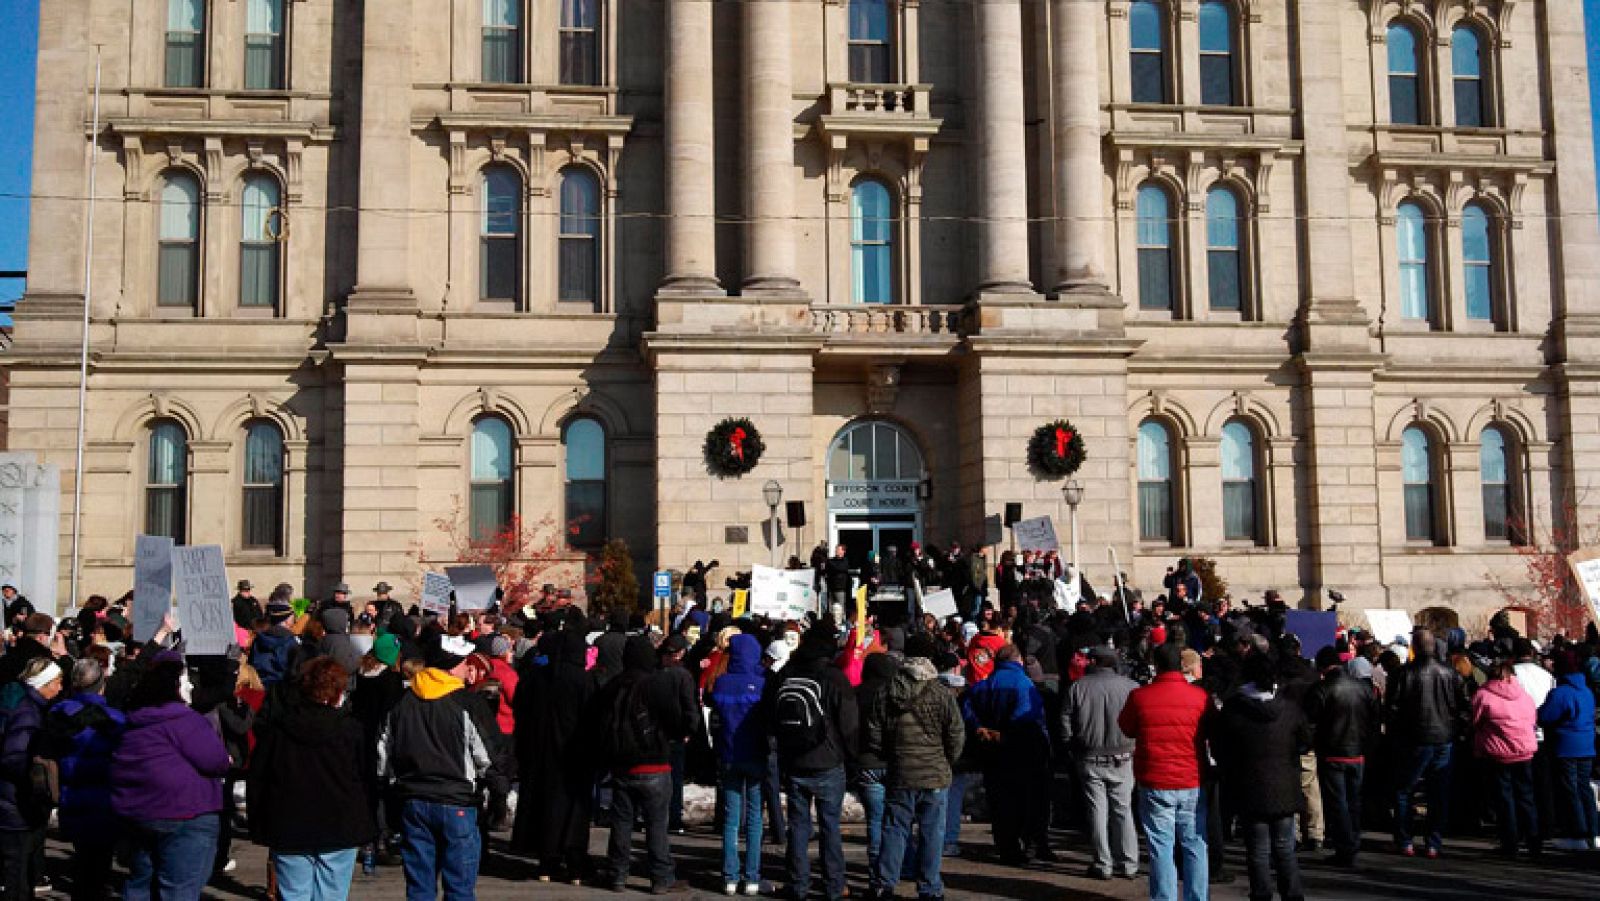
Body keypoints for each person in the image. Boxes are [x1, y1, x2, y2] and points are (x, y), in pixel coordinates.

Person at [377, 637, 495, 901]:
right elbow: (488, 757)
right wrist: (497, 792)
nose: (468, 668)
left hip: (415, 800)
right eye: (464, 662)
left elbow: (383, 756)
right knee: (459, 890)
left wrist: (388, 793)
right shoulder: (466, 703)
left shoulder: (401, 702)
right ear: (451, 667)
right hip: (456, 801)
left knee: (420, 889)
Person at [250, 658, 376, 900]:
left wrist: (260, 822)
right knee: (332, 894)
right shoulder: (351, 730)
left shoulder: (278, 730)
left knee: (294, 894)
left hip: (290, 826)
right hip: (341, 825)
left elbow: (259, 777)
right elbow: (367, 778)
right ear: (338, 692)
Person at [111, 654, 232, 901]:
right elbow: (214, 760)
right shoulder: (184, 721)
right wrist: (225, 760)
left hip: (139, 812)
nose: (190, 687)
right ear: (174, 688)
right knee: (179, 888)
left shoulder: (134, 722)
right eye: (185, 682)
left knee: (141, 882)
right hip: (184, 812)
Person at [591, 634, 691, 894]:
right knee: (656, 824)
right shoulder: (657, 684)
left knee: (622, 822)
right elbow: (675, 719)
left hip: (622, 764)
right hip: (655, 762)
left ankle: (617, 874)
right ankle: (661, 877)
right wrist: (676, 735)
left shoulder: (613, 686)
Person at [862, 654, 964, 901]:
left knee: (894, 829)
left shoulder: (886, 693)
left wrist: (891, 755)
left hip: (900, 773)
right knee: (932, 833)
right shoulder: (941, 694)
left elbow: (874, 733)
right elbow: (956, 733)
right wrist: (946, 760)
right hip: (934, 774)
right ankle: (929, 888)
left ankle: (884, 885)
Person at [767, 625, 857, 901]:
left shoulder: (787, 674)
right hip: (828, 759)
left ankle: (798, 884)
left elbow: (771, 714)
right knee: (830, 827)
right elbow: (849, 723)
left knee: (798, 826)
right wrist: (850, 756)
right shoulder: (834, 677)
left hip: (795, 759)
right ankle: (834, 886)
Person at [1213, 654, 1309, 901]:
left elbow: (1220, 747)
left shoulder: (1234, 709)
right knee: (1285, 847)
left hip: (1249, 785)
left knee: (1257, 849)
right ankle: (1293, 894)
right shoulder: (1290, 708)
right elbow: (1305, 741)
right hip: (1284, 784)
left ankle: (1261, 894)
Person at [1118, 643, 1210, 901]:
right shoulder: (1199, 697)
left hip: (1155, 778)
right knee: (1195, 844)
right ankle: (1197, 897)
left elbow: (1127, 728)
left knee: (1161, 846)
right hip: (1191, 777)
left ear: (1155, 666)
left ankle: (1164, 897)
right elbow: (1211, 729)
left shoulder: (1140, 696)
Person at [511, 630, 595, 884]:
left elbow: (520, 712)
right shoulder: (582, 680)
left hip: (539, 755)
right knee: (574, 812)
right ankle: (575, 866)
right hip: (575, 756)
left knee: (544, 808)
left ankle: (547, 863)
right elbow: (592, 719)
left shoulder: (535, 678)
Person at [43, 658, 126, 901]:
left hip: (72, 795)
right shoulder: (115, 719)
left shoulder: (58, 713)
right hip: (106, 798)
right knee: (100, 863)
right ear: (102, 685)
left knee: (82, 860)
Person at [962, 644, 1052, 864]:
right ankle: (1029, 844)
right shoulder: (1023, 684)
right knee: (1026, 799)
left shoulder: (982, 686)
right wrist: (1005, 734)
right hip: (1021, 750)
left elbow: (966, 709)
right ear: (1018, 660)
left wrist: (980, 728)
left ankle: (1007, 847)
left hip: (992, 752)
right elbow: (1027, 715)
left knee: (1000, 801)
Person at [1386, 629, 1468, 857]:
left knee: (1404, 790)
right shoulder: (1450, 673)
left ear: (1414, 647)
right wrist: (1457, 730)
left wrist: (1395, 733)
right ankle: (1433, 842)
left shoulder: (1403, 674)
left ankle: (1405, 840)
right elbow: (1464, 706)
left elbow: (1392, 708)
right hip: (1442, 737)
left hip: (1414, 738)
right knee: (1438, 791)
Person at [1061, 646, 1140, 881]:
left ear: (1094, 661)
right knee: (1123, 810)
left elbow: (1065, 720)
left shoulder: (1078, 687)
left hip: (1089, 756)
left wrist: (1070, 745)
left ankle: (1103, 863)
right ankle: (1128, 863)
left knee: (1097, 812)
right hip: (1124, 756)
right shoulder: (1131, 687)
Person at [1303, 645, 1379, 868]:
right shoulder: (1363, 688)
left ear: (1322, 667)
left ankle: (1345, 848)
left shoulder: (1321, 689)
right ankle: (1352, 842)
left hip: (1332, 752)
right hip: (1358, 752)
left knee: (1338, 804)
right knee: (1353, 801)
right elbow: (1374, 720)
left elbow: (1309, 723)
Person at [708, 634, 770, 896]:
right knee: (755, 819)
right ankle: (752, 877)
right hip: (755, 755)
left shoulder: (722, 682)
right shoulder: (762, 683)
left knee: (731, 818)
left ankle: (730, 876)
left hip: (729, 754)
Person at [0, 657, 62, 901]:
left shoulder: (24, 704)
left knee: (17, 871)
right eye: (57, 682)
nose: (60, 688)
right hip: (16, 803)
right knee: (17, 874)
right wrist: (38, 775)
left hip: (12, 800)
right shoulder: (28, 713)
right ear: (43, 683)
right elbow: (14, 757)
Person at [1471, 659, 1540, 857]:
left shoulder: (1483, 695)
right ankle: (1534, 842)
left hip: (1498, 752)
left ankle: (1510, 843)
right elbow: (1533, 719)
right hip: (1524, 750)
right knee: (1526, 797)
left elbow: (1475, 721)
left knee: (1504, 799)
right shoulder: (1524, 695)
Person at [1538, 649, 1598, 850]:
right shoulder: (1586, 691)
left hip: (1566, 745)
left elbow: (1545, 716)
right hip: (1586, 745)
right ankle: (1593, 832)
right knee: (1584, 788)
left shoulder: (1560, 693)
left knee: (1570, 790)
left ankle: (1577, 833)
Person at [853, 654, 898, 880]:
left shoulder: (856, 694)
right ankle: (896, 867)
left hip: (866, 761)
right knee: (898, 820)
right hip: (895, 762)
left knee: (875, 820)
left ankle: (876, 871)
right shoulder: (896, 694)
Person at [250, 601, 302, 688]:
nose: (295, 620)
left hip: (260, 685)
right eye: (292, 617)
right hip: (282, 687)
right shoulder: (291, 641)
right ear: (286, 620)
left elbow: (252, 662)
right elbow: (294, 670)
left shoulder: (258, 639)